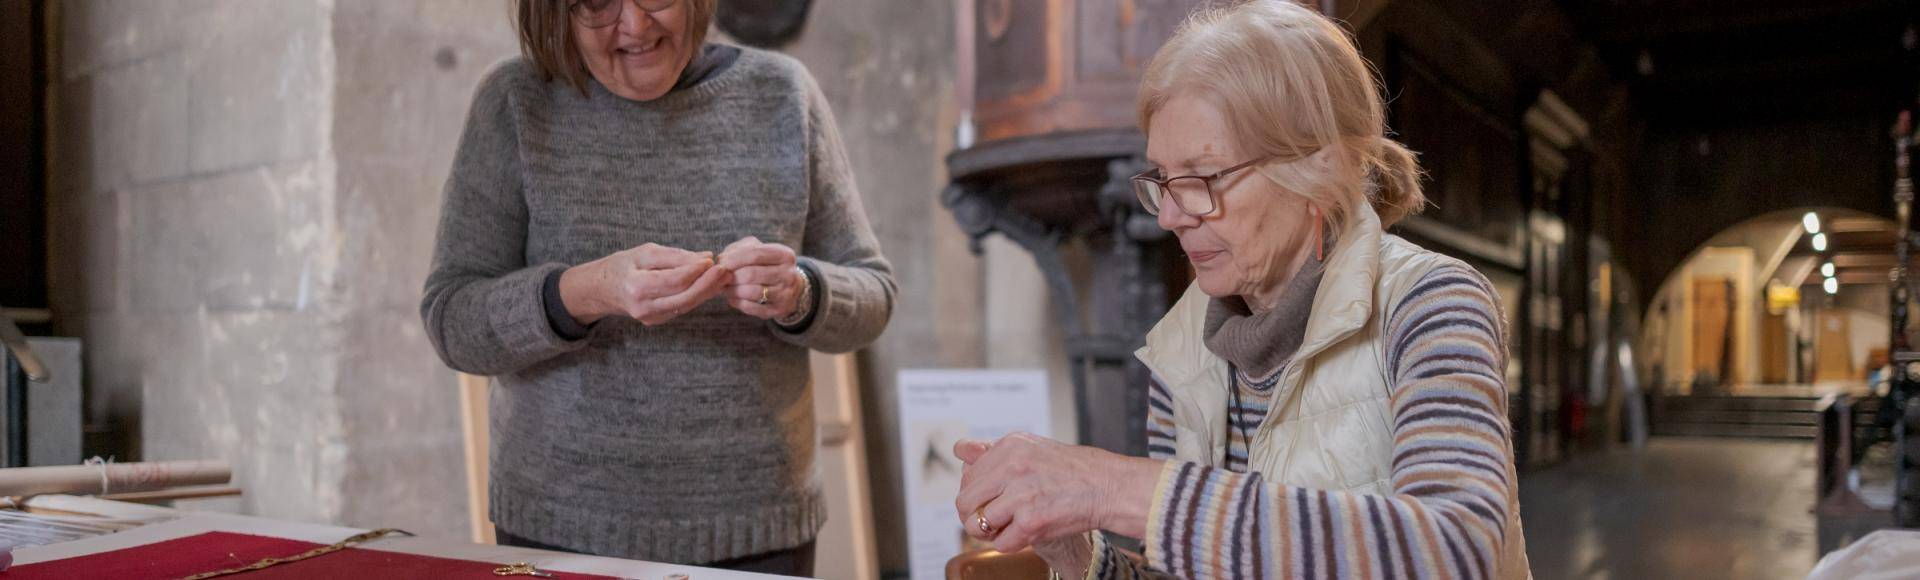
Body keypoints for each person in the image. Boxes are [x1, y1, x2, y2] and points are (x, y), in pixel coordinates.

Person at [950, 2, 1530, 578]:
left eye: (1201, 178)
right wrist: (1079, 555)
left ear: (1315, 171)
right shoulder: (1180, 346)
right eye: (1162, 181)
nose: (1170, 216)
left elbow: (1457, 549)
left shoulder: (1433, 303)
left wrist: (1110, 486)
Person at [419, 0, 895, 575]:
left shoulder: (782, 95)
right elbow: (452, 320)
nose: (636, 25)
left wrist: (799, 292)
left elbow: (874, 295)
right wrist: (585, 293)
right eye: (596, 5)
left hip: (760, 530)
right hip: (559, 531)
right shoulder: (516, 100)